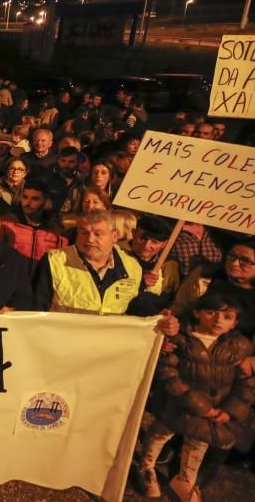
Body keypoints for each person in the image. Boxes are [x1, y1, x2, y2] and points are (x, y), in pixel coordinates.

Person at [135, 292, 255, 501]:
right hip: (177, 407)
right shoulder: (180, 340)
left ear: (235, 323)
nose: (218, 321)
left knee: (198, 443)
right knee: (159, 435)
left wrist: (230, 410)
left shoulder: (237, 347)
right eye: (211, 313)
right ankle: (146, 468)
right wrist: (202, 407)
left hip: (214, 411)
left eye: (227, 317)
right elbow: (169, 376)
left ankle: (186, 479)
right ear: (197, 313)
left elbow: (245, 384)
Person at [34, 210, 165, 315]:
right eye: (84, 232)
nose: (90, 239)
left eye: (98, 234)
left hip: (109, 345)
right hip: (64, 343)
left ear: (114, 236)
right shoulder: (54, 261)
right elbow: (36, 310)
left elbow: (136, 314)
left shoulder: (132, 266)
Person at [172, 239, 255, 338]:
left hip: (238, 350)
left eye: (245, 261)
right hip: (190, 341)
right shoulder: (204, 275)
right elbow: (178, 308)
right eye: (232, 256)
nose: (234, 263)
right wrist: (170, 326)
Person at [0, 178, 68, 279]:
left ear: (45, 202)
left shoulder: (56, 230)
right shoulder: (6, 223)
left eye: (35, 199)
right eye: (25, 197)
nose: (28, 203)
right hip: (11, 282)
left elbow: (59, 264)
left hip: (41, 284)